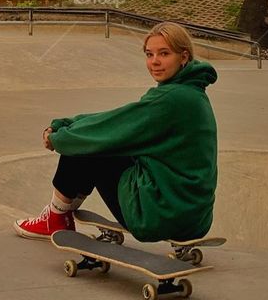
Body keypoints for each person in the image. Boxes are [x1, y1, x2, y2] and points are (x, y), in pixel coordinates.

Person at [14, 22, 218, 242]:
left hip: (159, 215)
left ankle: (55, 218)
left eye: (164, 53)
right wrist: (67, 123)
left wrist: (58, 136)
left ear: (184, 57)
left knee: (88, 147)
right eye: (149, 54)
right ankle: (62, 212)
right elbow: (119, 119)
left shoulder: (171, 99)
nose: (154, 62)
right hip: (194, 219)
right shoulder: (192, 93)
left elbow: (110, 128)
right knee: (102, 139)